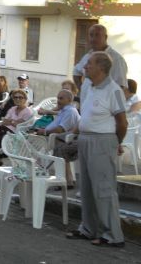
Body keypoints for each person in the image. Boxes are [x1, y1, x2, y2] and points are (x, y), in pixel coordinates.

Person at [66, 51, 127, 248]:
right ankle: (88, 228)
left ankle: (112, 235)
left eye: (89, 64)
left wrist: (115, 143)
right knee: (86, 188)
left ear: (101, 67)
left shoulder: (114, 90)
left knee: (104, 189)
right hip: (85, 139)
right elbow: (86, 114)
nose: (84, 67)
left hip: (103, 141)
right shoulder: (86, 87)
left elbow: (122, 122)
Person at [35, 89, 80, 188]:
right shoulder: (64, 110)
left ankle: (60, 180)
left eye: (61, 98)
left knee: (30, 144)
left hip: (63, 139)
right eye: (58, 98)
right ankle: (67, 180)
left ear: (69, 100)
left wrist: (45, 131)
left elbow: (60, 129)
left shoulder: (70, 111)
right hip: (56, 138)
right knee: (29, 137)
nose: (58, 100)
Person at [0, 89, 32, 165]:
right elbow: (4, 121)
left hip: (17, 133)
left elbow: (20, 125)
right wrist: (13, 121)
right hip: (5, 129)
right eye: (15, 97)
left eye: (20, 97)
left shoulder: (28, 111)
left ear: (25, 99)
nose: (17, 99)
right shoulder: (12, 109)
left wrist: (11, 121)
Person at [72, 24, 127, 91]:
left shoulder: (116, 59)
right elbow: (76, 72)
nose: (93, 39)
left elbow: (120, 86)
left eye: (97, 35)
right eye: (91, 35)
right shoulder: (87, 56)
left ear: (105, 37)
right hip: (86, 100)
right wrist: (81, 90)